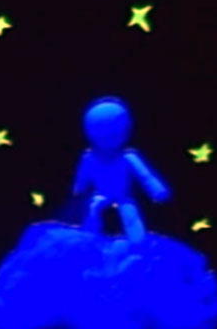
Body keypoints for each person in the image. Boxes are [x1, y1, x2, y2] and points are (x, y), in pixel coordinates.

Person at [72, 97, 171, 244]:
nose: (108, 139)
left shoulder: (128, 158)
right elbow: (82, 177)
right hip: (102, 195)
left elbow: (146, 176)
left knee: (131, 215)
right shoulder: (89, 158)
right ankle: (89, 241)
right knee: (93, 212)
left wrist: (156, 189)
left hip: (122, 196)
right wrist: (78, 188)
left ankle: (138, 244)